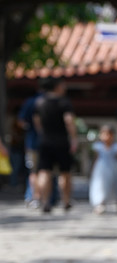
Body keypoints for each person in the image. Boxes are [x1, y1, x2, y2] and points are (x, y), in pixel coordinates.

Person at [34, 78, 77, 213]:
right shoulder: (64, 103)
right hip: (62, 141)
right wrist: (74, 138)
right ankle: (66, 201)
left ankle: (45, 201)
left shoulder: (39, 102)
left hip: (45, 140)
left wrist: (43, 133)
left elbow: (37, 122)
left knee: (44, 171)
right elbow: (69, 121)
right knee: (65, 172)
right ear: (57, 86)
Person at [89, 125, 117, 214]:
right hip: (101, 170)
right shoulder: (98, 146)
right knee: (101, 186)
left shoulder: (116, 147)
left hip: (115, 169)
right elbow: (95, 158)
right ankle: (100, 203)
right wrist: (92, 170)